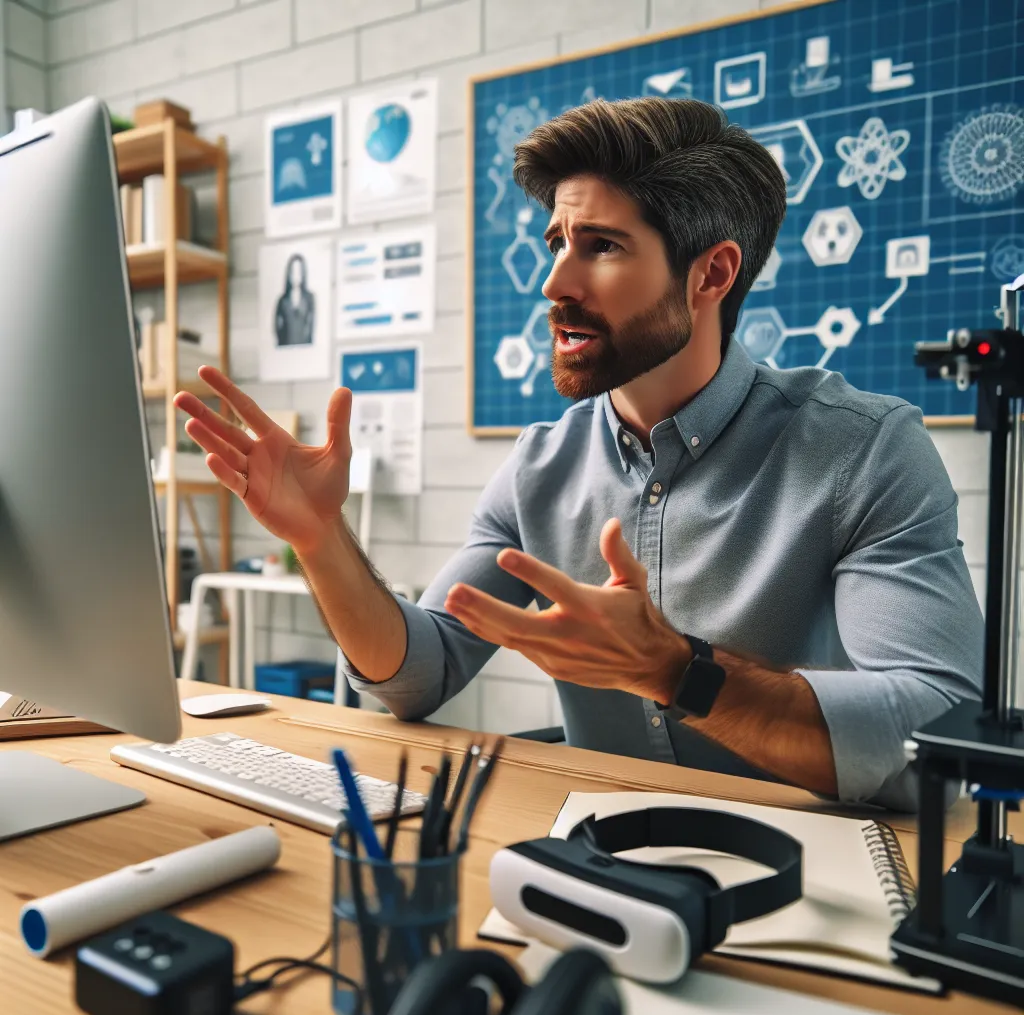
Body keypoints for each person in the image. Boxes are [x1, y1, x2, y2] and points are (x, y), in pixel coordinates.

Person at [175, 98, 982, 812]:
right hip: (601, 855)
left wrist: (680, 672)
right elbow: (419, 675)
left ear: (712, 273)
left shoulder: (865, 448)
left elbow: (937, 727)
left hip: (819, 876)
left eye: (600, 245)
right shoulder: (540, 466)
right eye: (557, 239)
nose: (554, 280)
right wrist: (321, 541)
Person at [274, 253, 315, 347]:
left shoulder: (309, 298)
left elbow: (312, 325)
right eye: (293, 272)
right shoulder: (282, 300)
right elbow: (276, 327)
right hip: (285, 349)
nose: (296, 276)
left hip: (305, 349)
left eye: (299, 272)